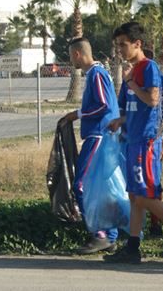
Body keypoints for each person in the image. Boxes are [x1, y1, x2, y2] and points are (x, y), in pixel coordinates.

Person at [104, 22, 163, 264]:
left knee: (145, 196)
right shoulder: (133, 70)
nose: (119, 50)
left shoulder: (148, 68)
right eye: (117, 45)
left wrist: (132, 84)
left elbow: (154, 100)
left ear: (137, 44)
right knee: (135, 197)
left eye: (123, 45)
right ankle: (133, 247)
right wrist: (120, 119)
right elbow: (137, 106)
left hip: (146, 142)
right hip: (133, 140)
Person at [61, 37, 120, 255]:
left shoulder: (96, 74)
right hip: (100, 135)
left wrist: (76, 114)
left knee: (82, 185)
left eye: (70, 55)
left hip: (99, 136)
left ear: (77, 54)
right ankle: (109, 235)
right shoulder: (97, 73)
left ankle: (101, 234)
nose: (71, 60)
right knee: (100, 187)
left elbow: (104, 106)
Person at [142, 48, 163, 239]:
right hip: (136, 140)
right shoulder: (132, 80)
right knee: (137, 186)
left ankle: (156, 224)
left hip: (155, 139)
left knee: (154, 183)